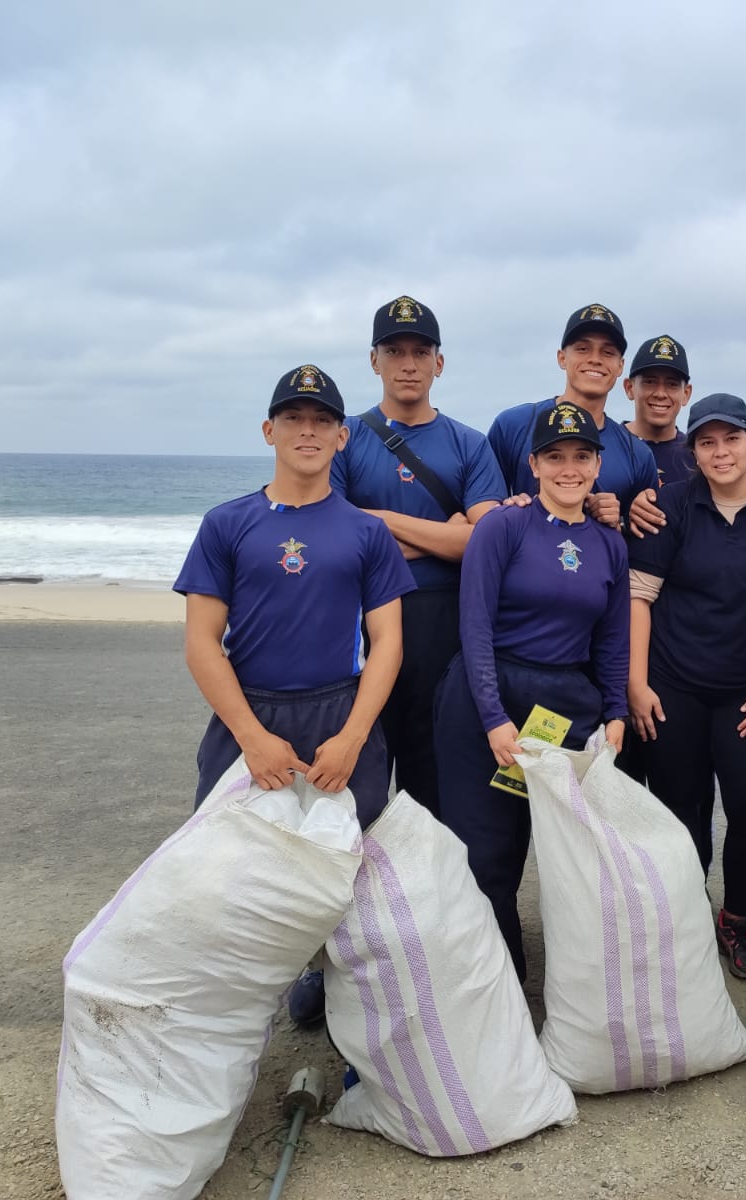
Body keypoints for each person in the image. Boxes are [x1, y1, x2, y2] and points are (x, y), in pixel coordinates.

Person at [175, 365, 415, 1025]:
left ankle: (334, 985)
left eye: (320, 421)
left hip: (342, 713)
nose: (306, 431)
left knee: (346, 864)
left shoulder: (367, 532)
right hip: (249, 714)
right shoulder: (227, 523)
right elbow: (202, 642)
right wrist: (251, 738)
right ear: (268, 430)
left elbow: (387, 643)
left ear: (342, 436)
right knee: (232, 863)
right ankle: (237, 1000)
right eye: (292, 418)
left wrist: (354, 736)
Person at [434, 400, 630, 982]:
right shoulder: (503, 525)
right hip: (485, 698)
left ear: (597, 465)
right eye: (555, 457)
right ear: (534, 464)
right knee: (486, 853)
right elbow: (474, 625)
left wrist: (616, 710)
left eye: (581, 456)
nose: (569, 468)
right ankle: (500, 985)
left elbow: (612, 641)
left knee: (566, 858)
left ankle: (570, 984)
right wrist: (494, 717)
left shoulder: (610, 545)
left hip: (563, 707)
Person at [626, 393, 746, 979]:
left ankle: (741, 919)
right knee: (681, 811)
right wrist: (637, 683)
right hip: (673, 686)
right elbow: (640, 598)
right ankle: (682, 917)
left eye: (731, 439)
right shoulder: (669, 506)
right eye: (707, 442)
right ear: (692, 451)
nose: (720, 451)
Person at [330, 296, 507, 809]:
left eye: (420, 352)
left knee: (432, 786)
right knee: (356, 782)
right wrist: (441, 536)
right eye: (395, 351)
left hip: (443, 624)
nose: (408, 364)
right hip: (362, 622)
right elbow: (337, 541)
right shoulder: (345, 437)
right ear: (374, 360)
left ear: (439, 362)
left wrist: (381, 522)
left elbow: (483, 541)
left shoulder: (469, 444)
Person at [486, 304, 657, 531]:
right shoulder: (513, 425)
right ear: (561, 358)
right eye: (583, 349)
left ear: (620, 366)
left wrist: (619, 521)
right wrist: (506, 508)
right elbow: (483, 507)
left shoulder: (638, 454)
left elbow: (645, 540)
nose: (595, 359)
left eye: (608, 352)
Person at [623, 335, 695, 488]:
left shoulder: (697, 457)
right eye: (650, 382)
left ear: (686, 394)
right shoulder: (605, 447)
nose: (660, 394)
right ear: (629, 388)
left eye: (672, 384)